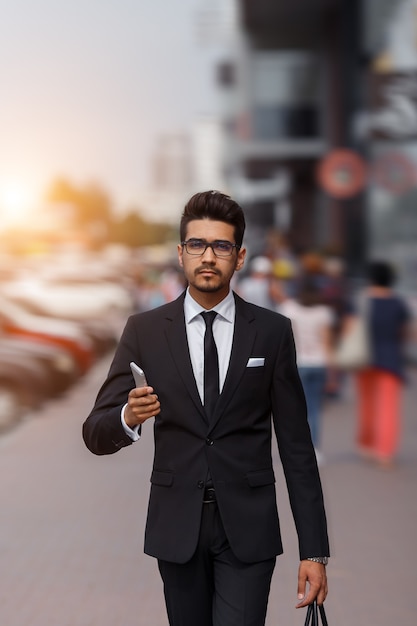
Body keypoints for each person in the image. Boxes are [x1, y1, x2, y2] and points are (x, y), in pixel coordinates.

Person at [82, 190, 329, 626]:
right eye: (197, 245)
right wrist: (128, 417)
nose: (208, 256)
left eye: (221, 246)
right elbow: (95, 433)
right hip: (177, 527)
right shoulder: (145, 331)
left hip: (249, 531)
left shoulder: (271, 333)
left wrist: (314, 550)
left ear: (240, 255)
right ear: (181, 254)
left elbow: (296, 447)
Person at [349, 260, 412, 468]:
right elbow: (407, 333)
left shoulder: (360, 301)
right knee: (388, 407)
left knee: (366, 404)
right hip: (391, 359)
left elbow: (350, 328)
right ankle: (385, 451)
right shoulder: (398, 303)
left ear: (371, 278)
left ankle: (366, 443)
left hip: (364, 358)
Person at [278, 277, 334, 465]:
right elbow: (327, 342)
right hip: (318, 362)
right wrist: (331, 370)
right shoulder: (324, 312)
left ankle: (295, 449)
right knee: (314, 408)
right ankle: (314, 449)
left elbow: (284, 341)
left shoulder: (289, 308)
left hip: (297, 362)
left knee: (293, 409)